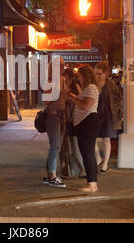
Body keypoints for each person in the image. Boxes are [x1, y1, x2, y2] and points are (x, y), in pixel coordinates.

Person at [63, 65, 102, 193]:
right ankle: (91, 182)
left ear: (85, 75)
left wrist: (73, 98)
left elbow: (86, 106)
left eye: (79, 75)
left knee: (88, 153)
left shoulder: (91, 88)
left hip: (88, 122)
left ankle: (92, 184)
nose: (77, 77)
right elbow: (82, 100)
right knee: (85, 153)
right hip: (84, 123)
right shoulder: (87, 88)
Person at [42, 58, 68, 187]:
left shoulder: (63, 79)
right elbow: (46, 101)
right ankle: (52, 175)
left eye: (64, 65)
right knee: (55, 145)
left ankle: (49, 174)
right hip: (53, 115)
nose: (63, 67)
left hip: (62, 115)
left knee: (57, 146)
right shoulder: (50, 81)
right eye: (60, 65)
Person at [94, 62, 123, 173]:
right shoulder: (93, 84)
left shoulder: (110, 83)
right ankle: (98, 158)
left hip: (108, 114)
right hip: (95, 114)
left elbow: (118, 96)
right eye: (96, 73)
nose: (97, 75)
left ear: (105, 73)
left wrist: (117, 109)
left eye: (99, 73)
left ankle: (105, 164)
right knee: (93, 139)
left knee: (106, 139)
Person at [59, 68, 86, 179]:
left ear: (69, 77)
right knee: (64, 149)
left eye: (65, 77)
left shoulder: (75, 87)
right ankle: (66, 171)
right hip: (65, 120)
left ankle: (83, 170)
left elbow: (81, 102)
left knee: (75, 148)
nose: (63, 79)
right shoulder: (62, 88)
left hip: (73, 121)